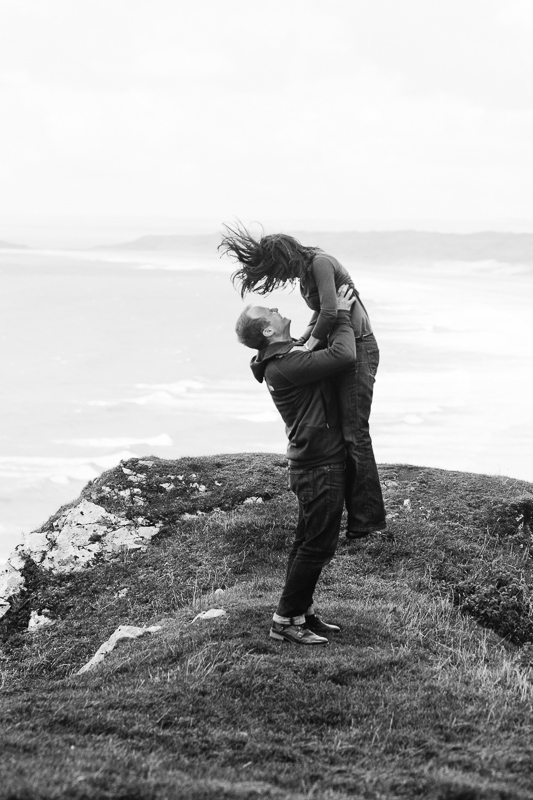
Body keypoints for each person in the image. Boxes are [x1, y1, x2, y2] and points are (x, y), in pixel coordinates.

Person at [220, 224, 386, 540]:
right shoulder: (306, 274)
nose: (279, 279)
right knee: (344, 433)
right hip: (340, 344)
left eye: (275, 271)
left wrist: (306, 346)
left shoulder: (320, 263)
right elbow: (320, 315)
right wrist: (301, 344)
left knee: (355, 434)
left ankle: (367, 522)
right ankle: (352, 515)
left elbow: (330, 313)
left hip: (357, 346)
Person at [235, 286, 356, 646]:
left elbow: (308, 339)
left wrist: (326, 308)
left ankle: (300, 612)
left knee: (307, 542)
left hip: (313, 465)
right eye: (269, 311)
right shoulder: (287, 365)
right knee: (316, 546)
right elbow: (344, 354)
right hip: (319, 466)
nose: (275, 309)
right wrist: (342, 315)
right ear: (268, 330)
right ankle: (285, 621)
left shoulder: (286, 357)